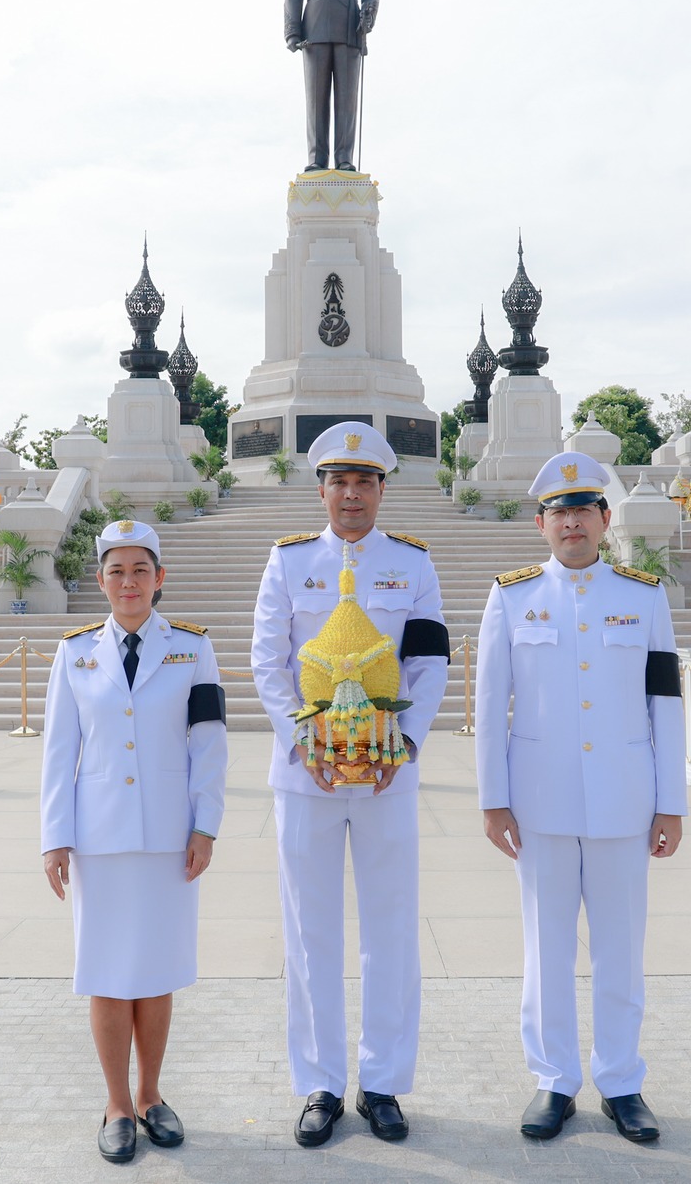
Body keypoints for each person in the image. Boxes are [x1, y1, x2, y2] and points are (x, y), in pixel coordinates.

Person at [473, 452, 686, 1144]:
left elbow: (665, 702)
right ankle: (555, 1079)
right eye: (558, 512)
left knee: (621, 949)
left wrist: (670, 801)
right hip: (539, 804)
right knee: (546, 947)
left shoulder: (643, 596)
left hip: (625, 801)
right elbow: (488, 703)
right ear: (541, 524)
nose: (571, 522)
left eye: (582, 509)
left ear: (604, 519)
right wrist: (493, 799)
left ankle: (621, 1080)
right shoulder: (510, 597)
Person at [251, 422, 449, 1147]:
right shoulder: (288, 561)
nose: (352, 492)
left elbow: (429, 662)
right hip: (309, 777)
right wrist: (305, 740)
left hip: (388, 776)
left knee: (391, 930)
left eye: (365, 481)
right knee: (309, 932)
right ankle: (321, 1082)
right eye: (340, 480)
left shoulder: (413, 565)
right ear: (322, 488)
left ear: (383, 489)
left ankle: (385, 1080)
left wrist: (406, 737)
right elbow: (267, 662)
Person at [41, 518, 228, 1164]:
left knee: (155, 971)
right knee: (106, 972)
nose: (128, 581)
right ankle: (116, 1103)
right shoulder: (74, 653)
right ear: (100, 579)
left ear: (159, 578)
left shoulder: (193, 649)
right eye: (116, 570)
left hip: (168, 836)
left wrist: (206, 824)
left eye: (140, 569)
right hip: (98, 836)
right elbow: (58, 752)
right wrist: (54, 837)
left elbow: (208, 745)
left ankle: (150, 1094)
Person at [284, 0, 378, 173]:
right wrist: (292, 31)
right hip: (313, 31)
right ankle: (317, 159)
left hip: (350, 29)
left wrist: (369, 14)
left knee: (347, 100)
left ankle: (344, 159)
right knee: (316, 99)